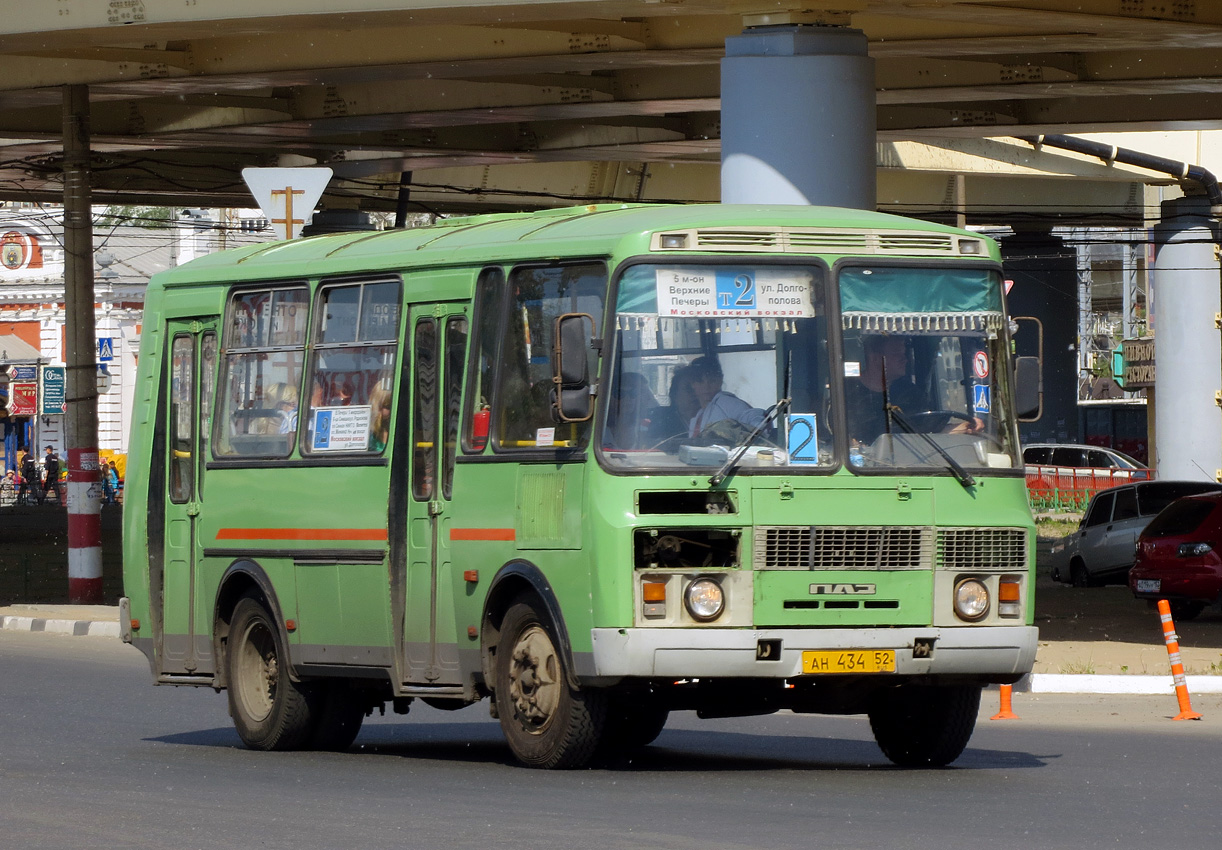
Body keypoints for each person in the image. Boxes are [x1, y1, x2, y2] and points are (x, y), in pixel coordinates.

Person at [686, 356, 765, 438]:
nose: (707, 386)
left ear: (720, 380)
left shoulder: (726, 402)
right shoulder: (698, 416)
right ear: (692, 384)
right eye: (700, 381)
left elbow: (756, 417)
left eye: (712, 381)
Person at [604, 371, 656, 449]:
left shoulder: (648, 427)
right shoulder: (599, 431)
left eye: (633, 393)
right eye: (620, 394)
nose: (627, 399)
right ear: (609, 397)